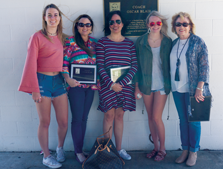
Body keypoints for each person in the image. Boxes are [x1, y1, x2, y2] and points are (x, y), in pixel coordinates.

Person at [18, 4, 68, 168]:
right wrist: (34, 89)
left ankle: (60, 148)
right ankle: (46, 155)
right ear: (44, 18)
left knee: (63, 122)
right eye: (49, 15)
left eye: (56, 15)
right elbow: (30, 63)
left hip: (59, 82)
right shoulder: (37, 37)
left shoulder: (63, 38)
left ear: (59, 18)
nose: (53, 18)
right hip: (42, 83)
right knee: (45, 122)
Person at [170, 12, 211, 166]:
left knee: (194, 121)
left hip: (193, 89)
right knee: (183, 120)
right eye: (178, 24)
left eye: (184, 24)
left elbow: (205, 67)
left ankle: (193, 152)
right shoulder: (174, 44)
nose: (181, 27)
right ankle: (185, 150)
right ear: (174, 27)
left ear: (190, 26)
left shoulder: (198, 42)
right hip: (177, 89)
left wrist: (200, 88)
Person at [96, 10, 137, 161]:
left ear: (122, 24)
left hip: (125, 87)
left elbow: (134, 66)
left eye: (118, 21)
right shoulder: (102, 42)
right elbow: (100, 66)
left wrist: (122, 83)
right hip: (108, 86)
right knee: (109, 115)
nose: (115, 24)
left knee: (119, 116)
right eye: (112, 22)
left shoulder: (129, 43)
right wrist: (111, 84)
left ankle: (119, 149)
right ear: (109, 25)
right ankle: (106, 151)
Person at [134, 11, 172, 162]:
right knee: (150, 117)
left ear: (161, 24)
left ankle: (163, 148)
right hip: (146, 84)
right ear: (147, 24)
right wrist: (137, 87)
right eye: (152, 23)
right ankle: (155, 147)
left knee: (157, 118)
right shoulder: (141, 41)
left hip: (163, 84)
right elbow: (136, 66)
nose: (155, 26)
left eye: (158, 23)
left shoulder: (168, 41)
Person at [62, 14, 98, 164]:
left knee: (84, 118)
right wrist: (68, 79)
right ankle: (78, 151)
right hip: (76, 87)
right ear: (77, 26)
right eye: (81, 24)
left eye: (88, 24)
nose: (85, 27)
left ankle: (80, 149)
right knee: (77, 119)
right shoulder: (70, 42)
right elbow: (63, 64)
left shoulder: (95, 43)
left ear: (91, 27)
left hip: (91, 87)